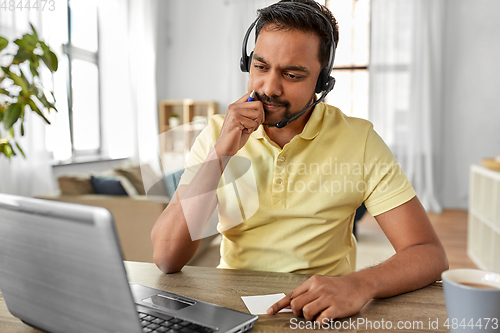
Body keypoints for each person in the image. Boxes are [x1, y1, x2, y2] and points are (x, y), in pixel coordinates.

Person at [151, 0, 448, 324]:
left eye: (292, 74)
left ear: (322, 83)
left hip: (322, 309)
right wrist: (220, 154)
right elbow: (166, 258)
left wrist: (359, 284)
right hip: (233, 305)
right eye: (260, 67)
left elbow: (428, 253)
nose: (268, 87)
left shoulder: (359, 140)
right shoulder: (215, 134)